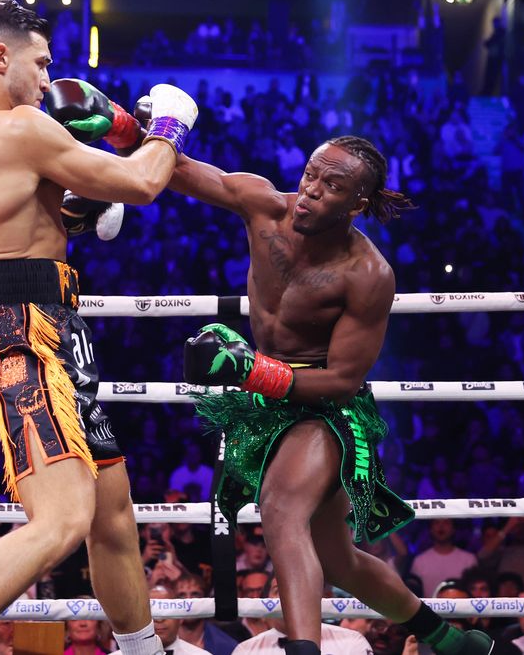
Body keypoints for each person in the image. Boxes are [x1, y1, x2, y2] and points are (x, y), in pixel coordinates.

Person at [0, 0, 198, 655]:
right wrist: (174, 123)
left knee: (112, 515)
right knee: (63, 517)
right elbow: (144, 183)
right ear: (1, 55)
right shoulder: (23, 128)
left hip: (40, 325)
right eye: (41, 64)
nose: (48, 80)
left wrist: (62, 212)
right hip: (21, 334)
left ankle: (140, 648)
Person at [174, 136, 491, 655]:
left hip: (327, 405)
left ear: (356, 204)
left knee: (280, 511)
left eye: (332, 186)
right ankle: (451, 641)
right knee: (339, 560)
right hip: (267, 398)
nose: (310, 192)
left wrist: (251, 371)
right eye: (310, 176)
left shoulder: (367, 273)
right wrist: (119, 126)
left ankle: (303, 650)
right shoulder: (262, 205)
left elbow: (343, 377)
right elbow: (178, 169)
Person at [233, 578, 373, 655]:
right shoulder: (247, 651)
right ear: (266, 599)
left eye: (299, 589)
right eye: (279, 591)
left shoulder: (350, 641)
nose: (290, 597)